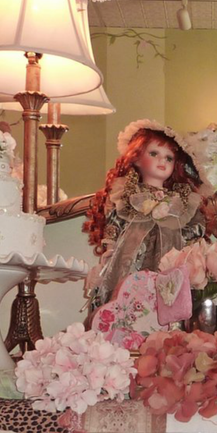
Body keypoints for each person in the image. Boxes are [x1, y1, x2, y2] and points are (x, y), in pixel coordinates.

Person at [83, 119, 206, 320]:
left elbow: (194, 228)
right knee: (125, 296)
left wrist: (190, 253)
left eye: (169, 158)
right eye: (154, 153)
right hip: (130, 259)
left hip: (168, 259)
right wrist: (110, 248)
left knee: (167, 298)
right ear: (137, 158)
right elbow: (115, 221)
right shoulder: (127, 192)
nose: (162, 161)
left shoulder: (182, 200)